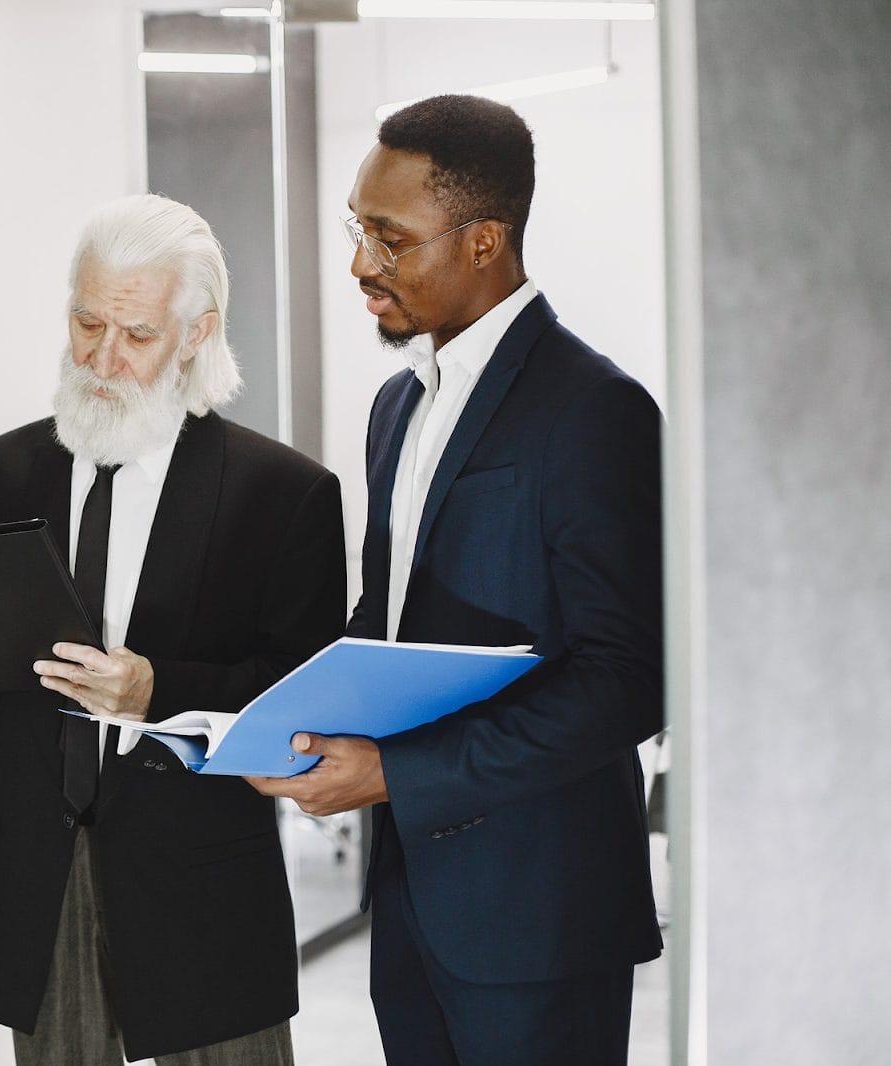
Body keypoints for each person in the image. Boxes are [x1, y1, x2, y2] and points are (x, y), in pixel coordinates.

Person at [249, 94, 664, 1066]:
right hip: (409, 904)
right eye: (359, 230)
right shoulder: (398, 406)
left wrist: (394, 772)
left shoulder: (594, 410)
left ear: (484, 241)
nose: (360, 264)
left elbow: (629, 678)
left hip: (538, 922)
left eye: (389, 241)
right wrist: (276, 722)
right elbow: (389, 623)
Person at [0, 193, 346, 1066]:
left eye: (137, 334)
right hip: (37, 883)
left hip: (204, 889)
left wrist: (161, 689)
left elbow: (305, 698)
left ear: (197, 334)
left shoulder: (284, 495)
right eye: (87, 324)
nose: (104, 358)